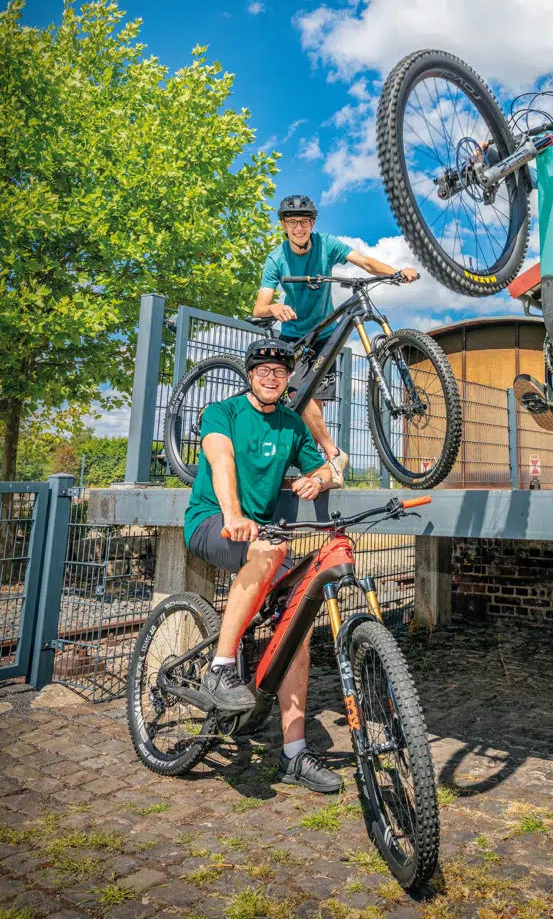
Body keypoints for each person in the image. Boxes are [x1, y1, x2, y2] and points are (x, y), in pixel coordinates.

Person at [184, 337, 341, 793]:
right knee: (268, 551)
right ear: (250, 375)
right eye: (263, 370)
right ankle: (220, 666)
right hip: (213, 520)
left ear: (288, 378)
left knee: (299, 629)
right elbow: (221, 458)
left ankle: (294, 755)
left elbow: (326, 467)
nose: (271, 377)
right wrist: (233, 514)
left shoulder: (292, 423)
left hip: (263, 533)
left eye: (280, 371)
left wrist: (316, 477)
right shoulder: (223, 412)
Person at [253, 194, 419, 487]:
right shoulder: (276, 259)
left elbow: (365, 262)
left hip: (325, 335)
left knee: (312, 404)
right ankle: (334, 454)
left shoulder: (326, 244)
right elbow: (260, 307)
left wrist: (396, 272)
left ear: (312, 223)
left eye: (304, 222)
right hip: (294, 336)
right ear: (284, 226)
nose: (299, 228)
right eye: (292, 223)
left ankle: (315, 466)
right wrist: (273, 308)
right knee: (296, 395)